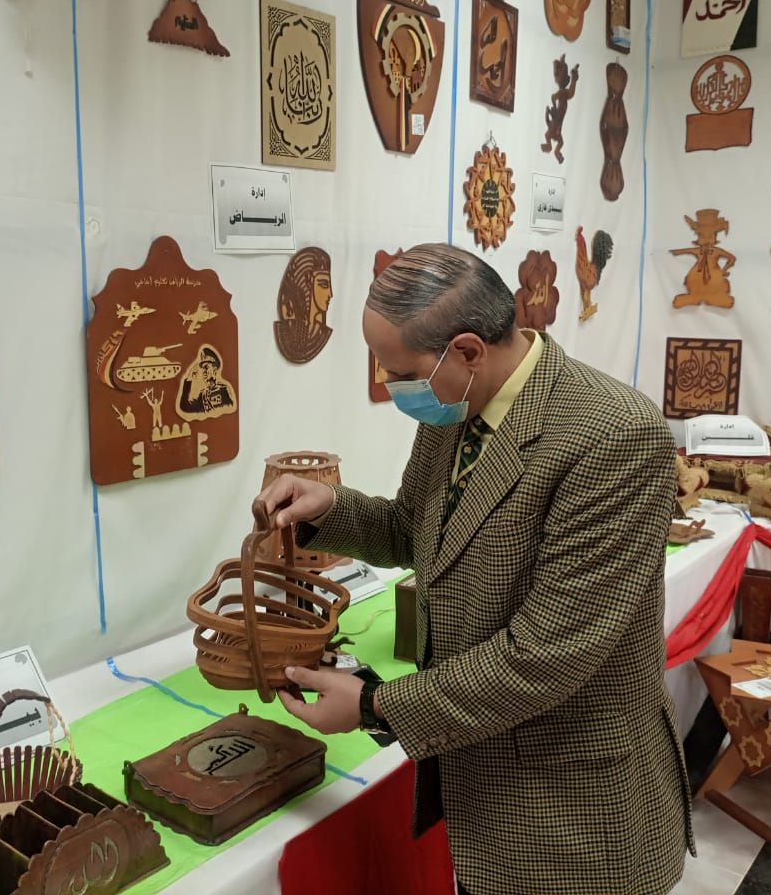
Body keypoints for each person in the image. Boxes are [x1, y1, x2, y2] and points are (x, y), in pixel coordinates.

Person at [257, 244, 694, 895]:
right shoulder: (458, 404)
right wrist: (330, 508)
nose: (390, 386)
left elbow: (546, 655)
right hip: (482, 776)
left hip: (572, 805)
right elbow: (416, 530)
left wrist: (374, 705)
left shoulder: (613, 435)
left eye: (398, 372)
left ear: (466, 350)